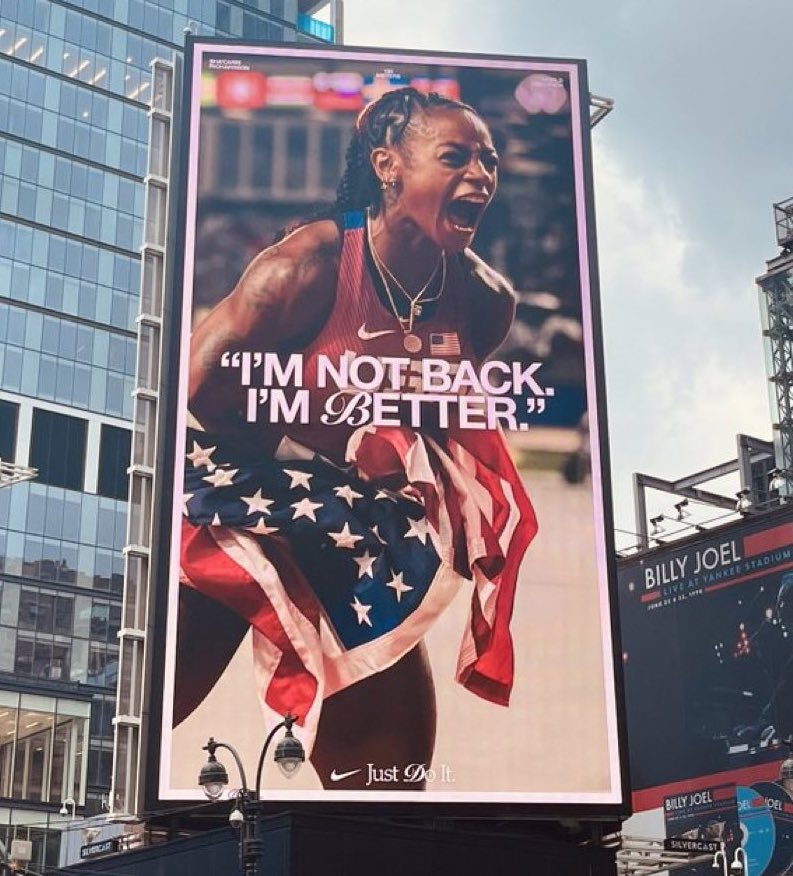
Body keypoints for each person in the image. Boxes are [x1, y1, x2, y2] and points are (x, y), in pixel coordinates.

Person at [177, 86, 537, 790]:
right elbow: (194, 398)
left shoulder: (484, 303)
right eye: (455, 158)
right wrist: (312, 455)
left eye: (488, 163)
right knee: (128, 717)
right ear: (387, 166)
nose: (479, 177)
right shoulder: (300, 271)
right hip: (234, 494)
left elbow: (439, 421)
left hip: (352, 522)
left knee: (387, 788)